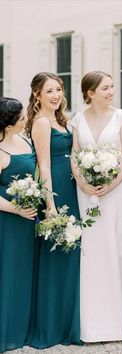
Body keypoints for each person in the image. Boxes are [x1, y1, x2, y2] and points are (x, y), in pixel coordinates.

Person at [70, 70, 122, 342]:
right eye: (105, 88)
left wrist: (112, 183)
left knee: (116, 247)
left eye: (112, 87)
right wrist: (83, 182)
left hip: (117, 191)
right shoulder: (77, 119)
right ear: (90, 93)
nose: (111, 92)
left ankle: (121, 323)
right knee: (91, 250)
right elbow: (73, 154)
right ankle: (92, 324)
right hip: (86, 193)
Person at [25, 72, 82, 348]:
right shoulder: (42, 122)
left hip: (71, 189)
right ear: (37, 95)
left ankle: (67, 324)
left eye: (58, 89)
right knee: (55, 257)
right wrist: (51, 205)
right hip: (55, 191)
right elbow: (44, 166)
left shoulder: (63, 120)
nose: (55, 95)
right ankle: (50, 327)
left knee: (70, 256)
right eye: (49, 91)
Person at [0, 97, 37, 352]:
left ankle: (23, 329)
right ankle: (7, 331)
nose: (26, 120)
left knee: (26, 273)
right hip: (8, 222)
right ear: (9, 123)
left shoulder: (24, 140)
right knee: (8, 274)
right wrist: (17, 209)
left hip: (29, 220)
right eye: (22, 117)